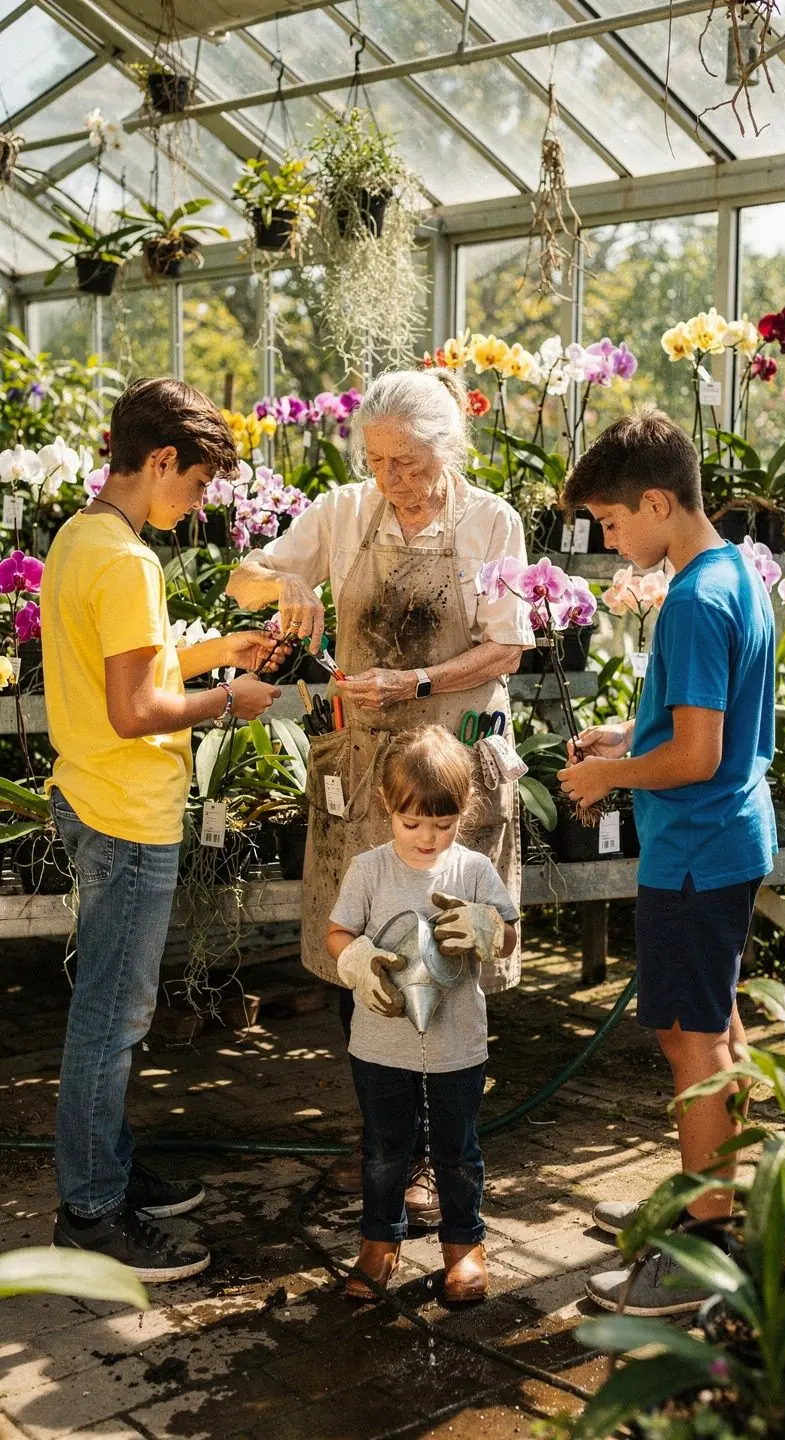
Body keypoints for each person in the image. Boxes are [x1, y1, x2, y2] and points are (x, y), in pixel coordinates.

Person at [228, 368, 534, 1211]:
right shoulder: (343, 512)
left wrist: (417, 680)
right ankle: (382, 1143)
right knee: (362, 946)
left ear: (447, 450)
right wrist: (284, 583)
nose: (390, 478)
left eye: (408, 462)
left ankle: (436, 1151)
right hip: (364, 770)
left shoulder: (490, 522)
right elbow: (241, 580)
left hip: (450, 768)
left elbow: (508, 647)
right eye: (376, 460)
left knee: (447, 949)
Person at [42, 377, 284, 1281]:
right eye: (198, 481)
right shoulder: (129, 562)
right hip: (127, 811)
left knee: (112, 1009)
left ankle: (106, 1167)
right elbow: (137, 709)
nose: (200, 500)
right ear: (161, 459)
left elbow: (127, 672)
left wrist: (218, 652)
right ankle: (91, 1210)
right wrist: (231, 699)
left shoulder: (82, 537)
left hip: (92, 794)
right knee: (114, 1016)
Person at [556, 409, 776, 1316]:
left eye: (611, 523)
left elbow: (694, 756)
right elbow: (704, 725)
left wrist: (605, 774)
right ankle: (709, 1202)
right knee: (717, 1031)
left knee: (691, 1045)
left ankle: (701, 1254)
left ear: (656, 502)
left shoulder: (689, 601)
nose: (609, 542)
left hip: (692, 850)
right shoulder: (733, 572)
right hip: (732, 837)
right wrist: (628, 735)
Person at [326, 726, 518, 1302]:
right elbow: (337, 932)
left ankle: (464, 1245)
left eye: (443, 824)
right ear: (386, 805)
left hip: (458, 1043)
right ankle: (379, 1243)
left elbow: (510, 936)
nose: (428, 838)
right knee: (384, 1149)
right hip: (379, 1045)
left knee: (457, 1149)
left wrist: (490, 928)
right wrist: (356, 958)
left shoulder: (474, 871)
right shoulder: (368, 869)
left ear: (465, 809)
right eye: (411, 824)